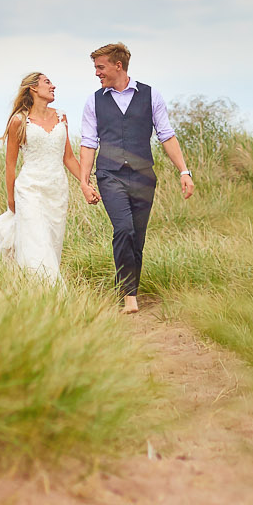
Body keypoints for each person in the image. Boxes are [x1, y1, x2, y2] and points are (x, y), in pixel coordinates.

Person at [77, 43, 193, 314]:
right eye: (95, 67)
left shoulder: (151, 96)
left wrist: (184, 171)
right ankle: (128, 295)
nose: (97, 73)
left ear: (118, 65)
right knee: (124, 229)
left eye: (100, 67)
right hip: (109, 174)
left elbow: (166, 134)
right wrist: (85, 180)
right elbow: (88, 142)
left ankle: (130, 289)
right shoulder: (93, 101)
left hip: (143, 178)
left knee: (137, 239)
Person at [0, 71, 85, 282]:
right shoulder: (19, 121)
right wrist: (11, 199)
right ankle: (50, 293)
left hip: (57, 191)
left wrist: (85, 182)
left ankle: (32, 294)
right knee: (36, 244)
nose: (53, 86)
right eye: (47, 82)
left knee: (52, 244)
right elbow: (10, 164)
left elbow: (69, 158)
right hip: (29, 190)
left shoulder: (62, 117)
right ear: (34, 88)